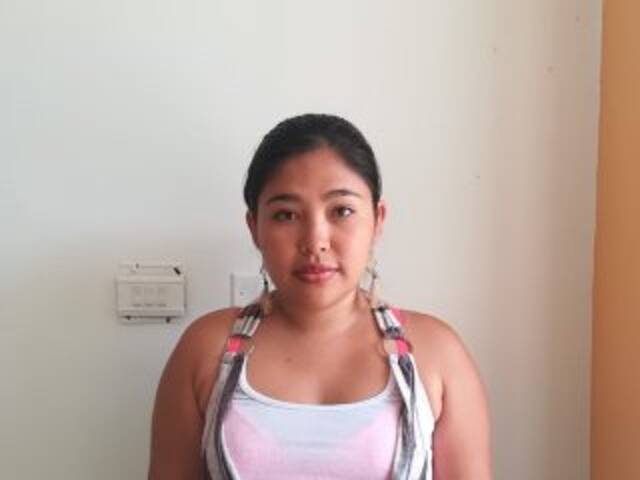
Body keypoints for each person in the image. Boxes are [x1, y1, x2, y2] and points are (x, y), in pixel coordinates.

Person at [148, 114, 491, 480]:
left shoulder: (437, 353)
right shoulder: (205, 349)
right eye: (286, 215)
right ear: (254, 226)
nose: (315, 241)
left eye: (341, 211)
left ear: (377, 220)